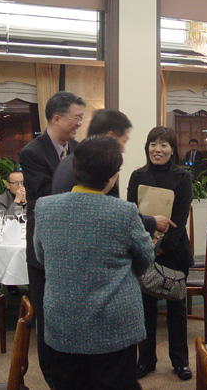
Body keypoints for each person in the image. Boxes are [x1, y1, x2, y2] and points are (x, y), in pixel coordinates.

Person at [34, 136, 154, 390]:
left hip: (63, 321)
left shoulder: (44, 208)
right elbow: (146, 258)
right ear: (112, 177)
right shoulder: (123, 212)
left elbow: (41, 256)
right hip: (113, 324)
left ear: (75, 168)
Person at [19, 91, 85, 389]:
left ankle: (74, 368)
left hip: (76, 245)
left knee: (73, 310)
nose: (79, 124)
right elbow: (48, 195)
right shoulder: (32, 153)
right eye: (76, 118)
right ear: (57, 118)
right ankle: (52, 376)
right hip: (44, 246)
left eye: (82, 118)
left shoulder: (80, 150)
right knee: (47, 315)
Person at [127, 127, 194, 381]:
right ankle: (146, 360)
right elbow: (132, 215)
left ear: (172, 150)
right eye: (153, 144)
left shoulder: (182, 177)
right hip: (144, 250)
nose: (158, 149)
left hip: (174, 251)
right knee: (145, 309)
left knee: (177, 308)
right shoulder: (137, 176)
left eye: (164, 145)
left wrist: (162, 247)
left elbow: (180, 218)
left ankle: (180, 362)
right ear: (147, 148)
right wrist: (147, 246)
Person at [52, 108, 174, 236]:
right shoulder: (100, 167)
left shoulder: (69, 161)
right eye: (124, 141)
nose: (123, 149)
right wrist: (153, 222)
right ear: (111, 136)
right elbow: (113, 213)